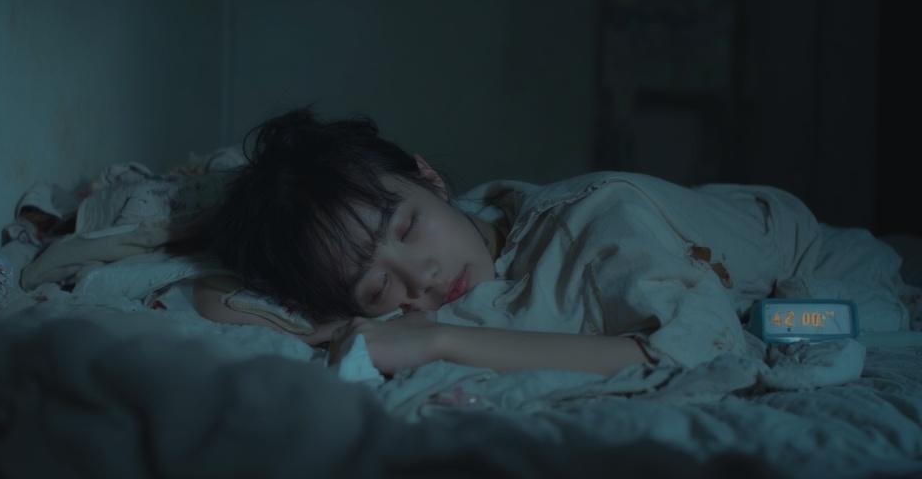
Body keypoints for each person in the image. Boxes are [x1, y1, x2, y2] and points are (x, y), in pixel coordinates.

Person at [184, 108, 912, 377]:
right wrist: (329, 323)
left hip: (807, 254)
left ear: (430, 178)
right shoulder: (455, 259)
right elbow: (214, 297)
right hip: (697, 243)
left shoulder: (595, 228)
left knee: (849, 323)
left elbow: (702, 349)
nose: (421, 280)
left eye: (405, 228)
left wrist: (441, 341)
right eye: (377, 288)